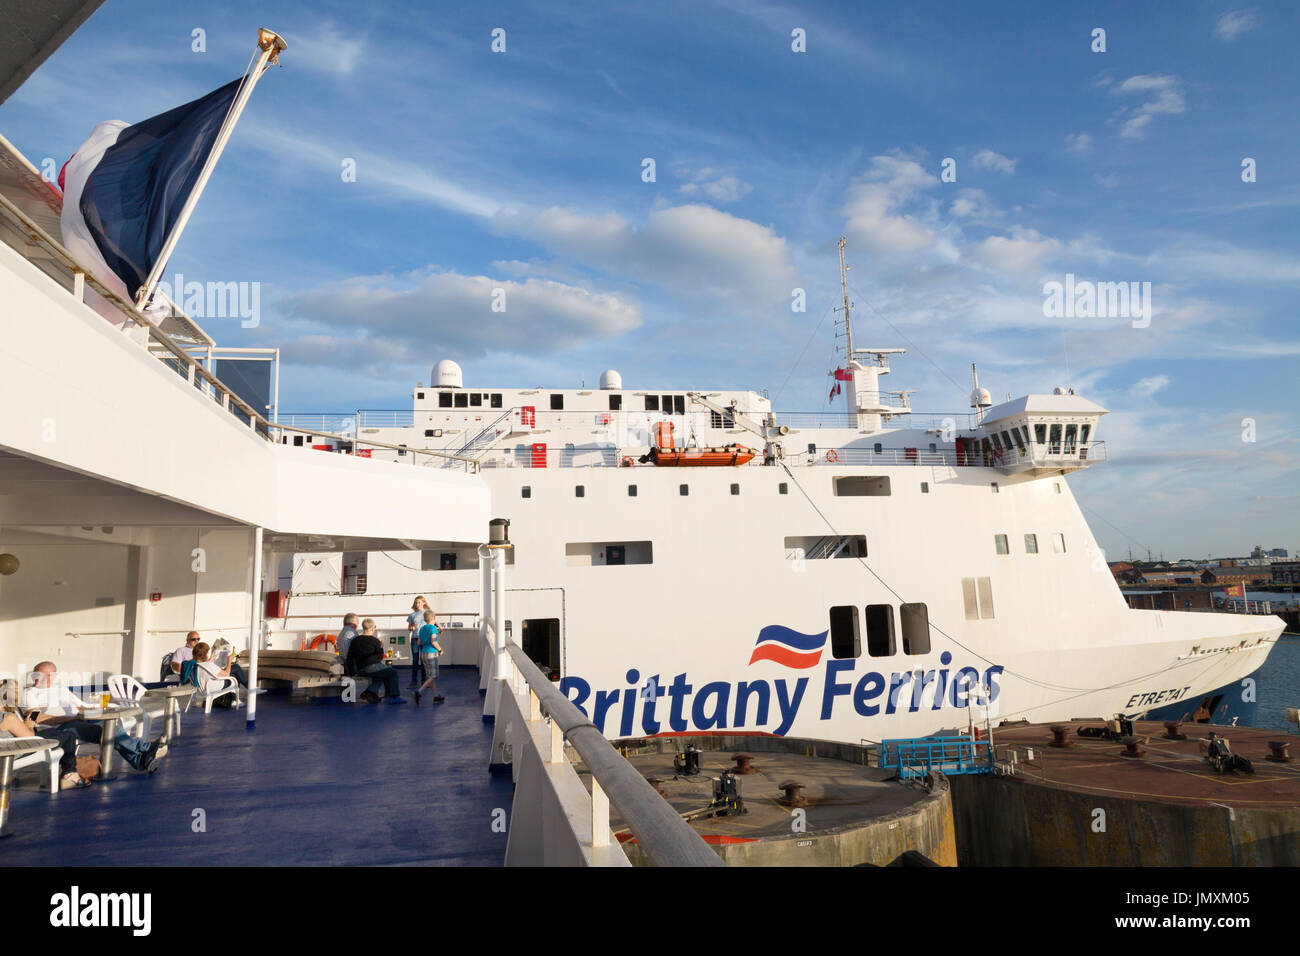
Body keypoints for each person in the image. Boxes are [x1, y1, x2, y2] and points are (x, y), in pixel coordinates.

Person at [22, 662, 161, 773]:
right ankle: (144, 748)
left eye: (50, 675)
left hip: (79, 719)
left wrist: (97, 711)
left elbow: (81, 706)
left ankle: (139, 760)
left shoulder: (61, 689)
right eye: (43, 674)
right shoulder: (30, 693)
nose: (46, 678)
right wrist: (70, 718)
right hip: (58, 727)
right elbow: (36, 718)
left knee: (109, 726)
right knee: (106, 733)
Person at [1, 700, 87, 790]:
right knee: (69, 736)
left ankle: (69, 773)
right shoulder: (8, 718)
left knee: (52, 732)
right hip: (19, 749)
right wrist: (29, 725)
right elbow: (30, 738)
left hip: (9, 747)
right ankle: (69, 774)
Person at [344, 619, 405, 704]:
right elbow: (380, 657)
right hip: (371, 667)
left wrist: (352, 672)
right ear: (373, 628)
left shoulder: (355, 640)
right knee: (392, 672)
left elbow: (350, 657)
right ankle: (393, 696)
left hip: (360, 669)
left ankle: (371, 692)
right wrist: (381, 646)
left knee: (381, 674)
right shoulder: (375, 641)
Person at [192, 643, 239, 708]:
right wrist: (229, 660)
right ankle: (240, 695)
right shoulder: (209, 665)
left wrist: (210, 660)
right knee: (235, 668)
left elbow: (205, 666)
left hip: (201, 689)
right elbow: (227, 674)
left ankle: (235, 699)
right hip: (214, 687)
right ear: (205, 654)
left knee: (234, 671)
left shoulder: (195, 665)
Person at [414, 610, 445, 704]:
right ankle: (419, 692)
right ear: (433, 618)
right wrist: (440, 650)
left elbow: (419, 642)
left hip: (423, 653)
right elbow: (433, 641)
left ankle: (435, 696)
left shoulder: (422, 628)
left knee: (430, 677)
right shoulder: (433, 628)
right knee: (434, 676)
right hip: (432, 654)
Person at [406, 597, 434, 688]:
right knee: (415, 660)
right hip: (415, 639)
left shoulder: (427, 612)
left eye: (419, 602)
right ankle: (413, 681)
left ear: (423, 603)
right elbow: (409, 627)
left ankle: (424, 681)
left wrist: (440, 628)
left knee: (423, 660)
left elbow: (433, 622)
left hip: (424, 638)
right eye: (416, 603)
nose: (417, 604)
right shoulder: (412, 615)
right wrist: (411, 628)